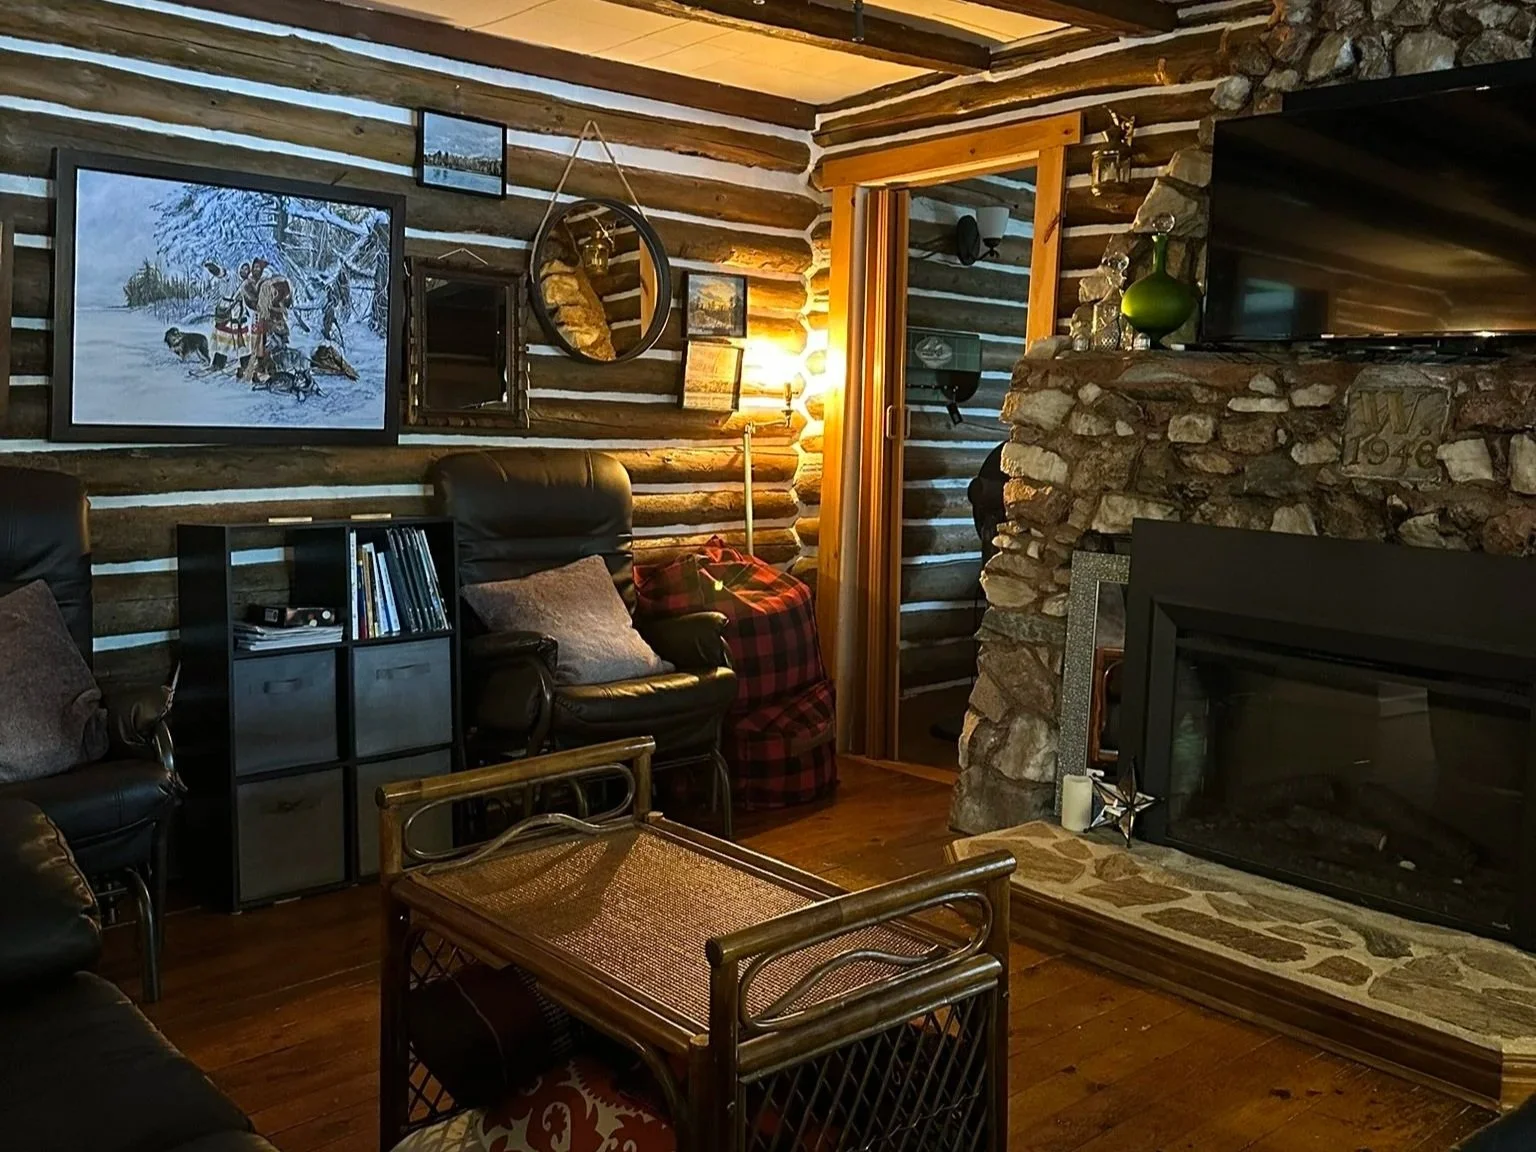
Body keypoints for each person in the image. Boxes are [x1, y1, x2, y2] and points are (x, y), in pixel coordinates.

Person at [209, 261, 251, 372]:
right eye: (243, 268)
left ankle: (246, 365)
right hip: (227, 312)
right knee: (224, 341)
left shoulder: (248, 284)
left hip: (240, 315)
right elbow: (223, 274)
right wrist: (214, 269)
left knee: (244, 342)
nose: (244, 271)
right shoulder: (232, 277)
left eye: (247, 269)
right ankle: (218, 364)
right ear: (239, 268)